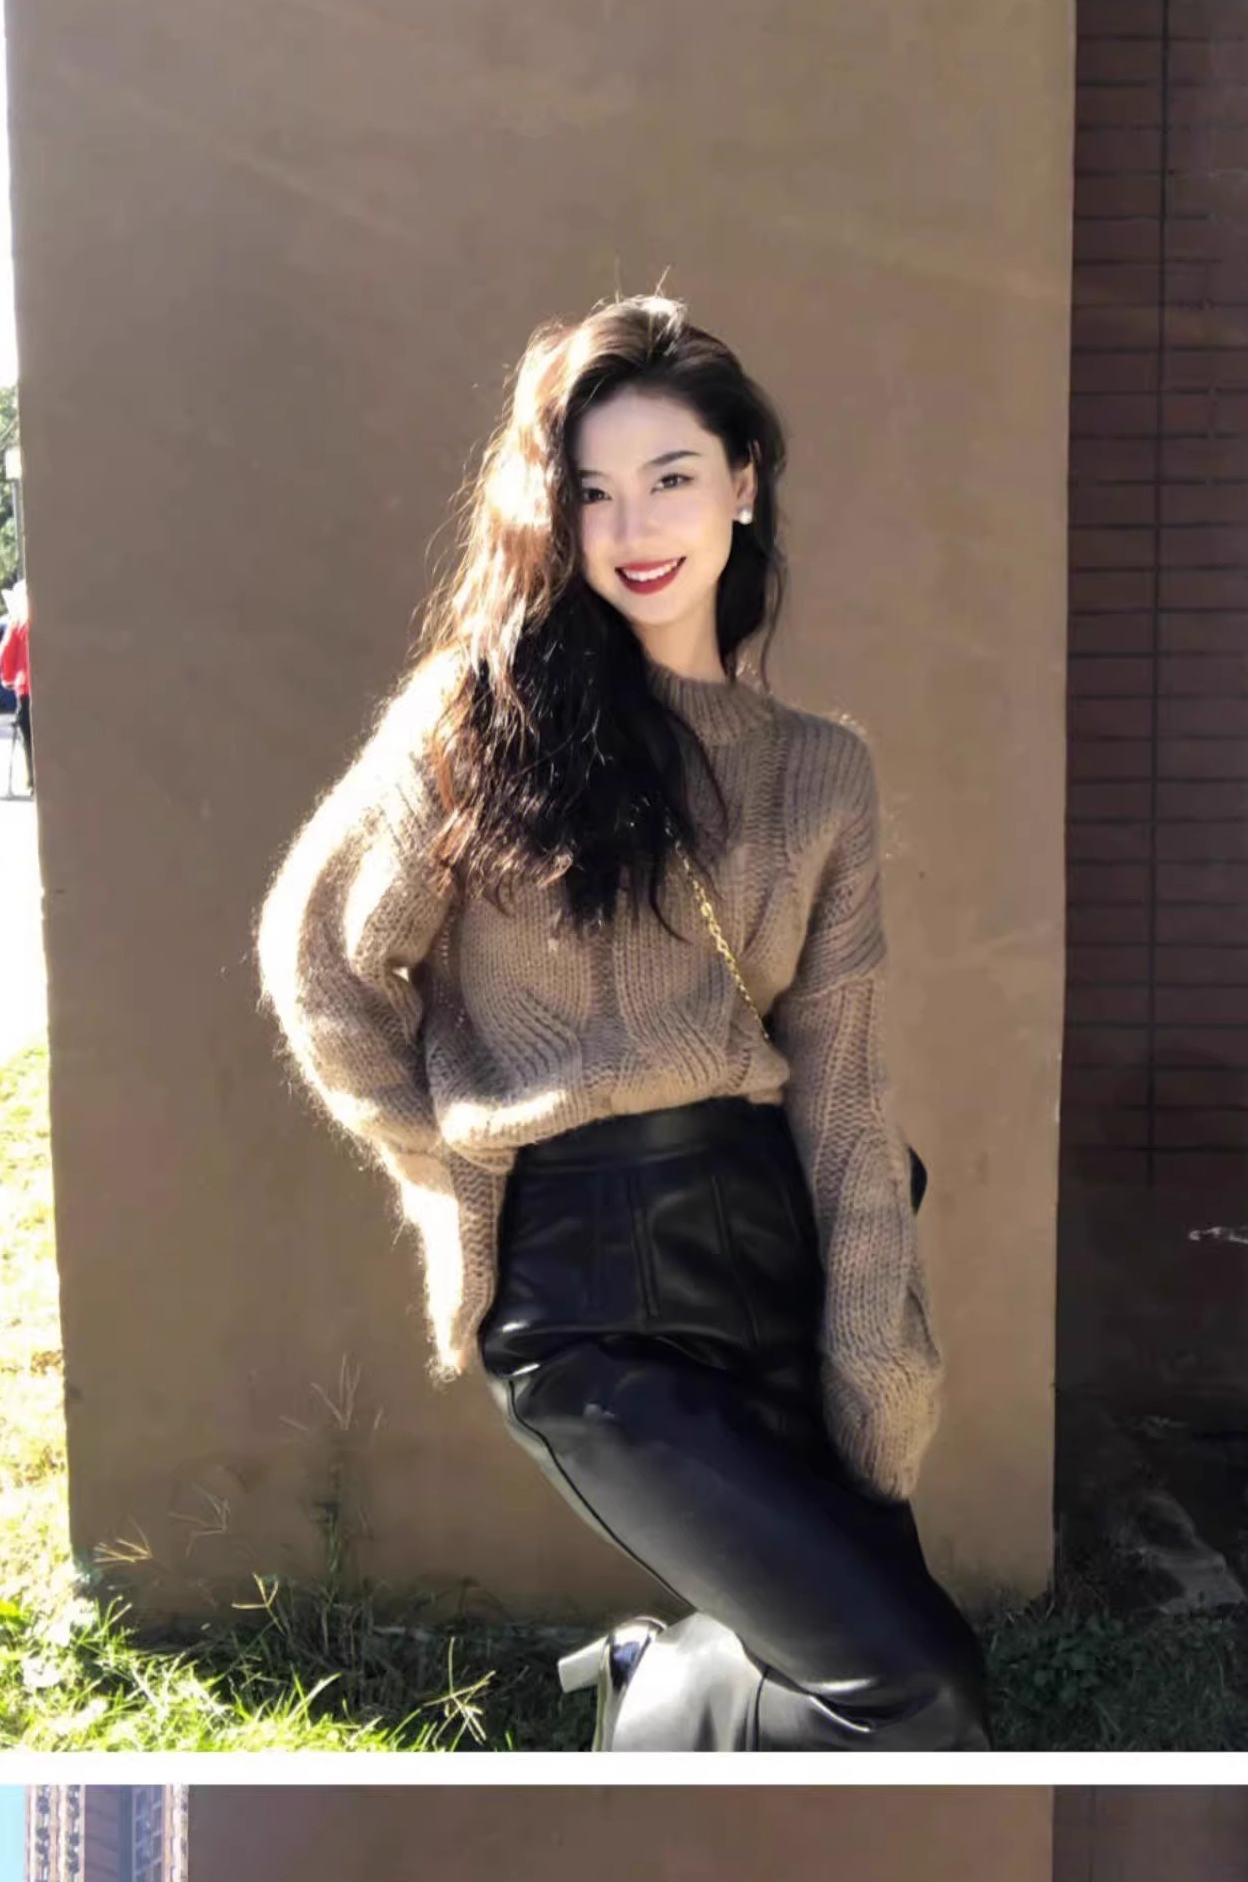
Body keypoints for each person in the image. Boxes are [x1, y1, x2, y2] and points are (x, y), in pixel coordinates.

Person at [256, 293, 990, 1751]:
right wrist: (451, 1170)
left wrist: (877, 1343)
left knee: (890, 1682)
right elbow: (320, 964)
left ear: (743, 483)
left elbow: (843, 1087)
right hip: (586, 1295)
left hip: (768, 1247)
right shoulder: (477, 725)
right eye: (593, 492)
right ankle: (664, 1689)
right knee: (916, 1692)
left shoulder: (820, 773)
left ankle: (661, 1672)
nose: (634, 525)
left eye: (670, 476)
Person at [0, 584, 33, 794]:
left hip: (25, 686)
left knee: (28, 734)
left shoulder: (18, 621)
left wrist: (8, 679)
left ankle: (33, 778)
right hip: (47, 687)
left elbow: (5, 652)